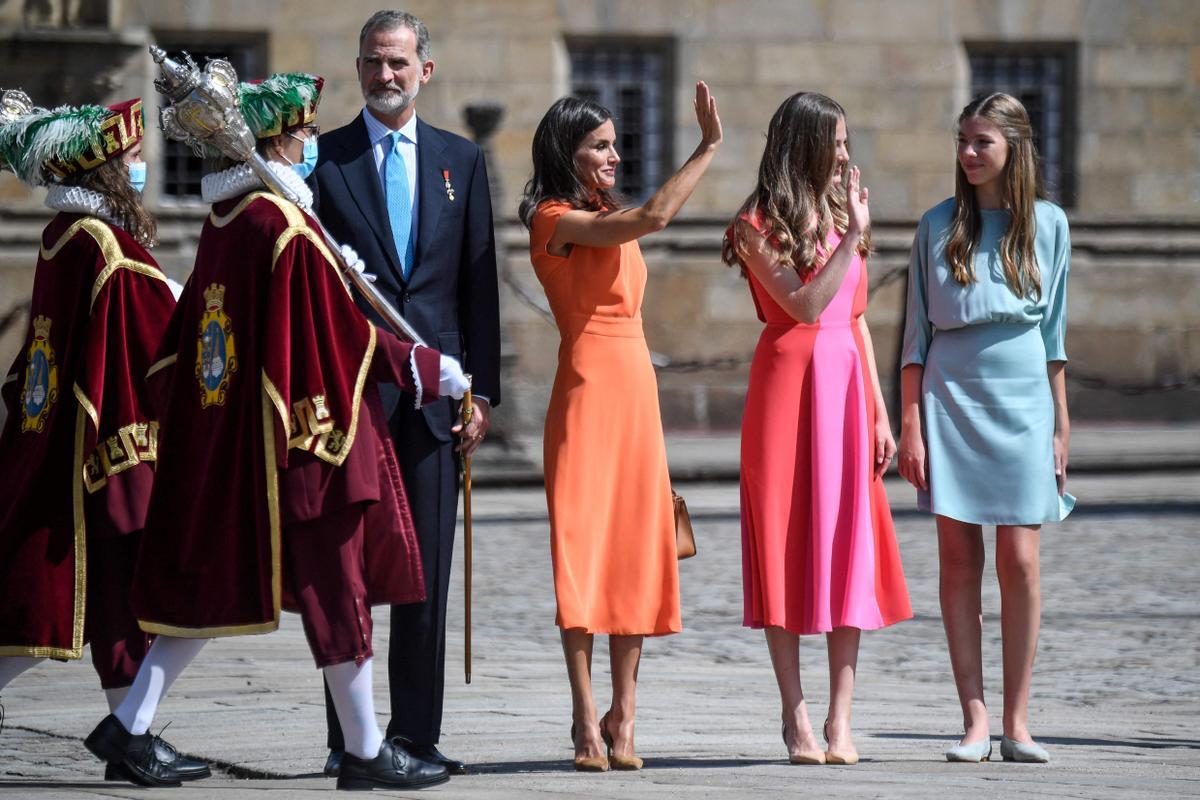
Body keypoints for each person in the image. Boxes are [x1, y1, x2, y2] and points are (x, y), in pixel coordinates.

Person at [81, 72, 469, 791]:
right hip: (303, 441)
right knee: (338, 592)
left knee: (210, 591)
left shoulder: (231, 221)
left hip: (240, 446)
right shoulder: (282, 226)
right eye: (304, 131)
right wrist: (425, 366)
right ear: (279, 138)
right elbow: (339, 337)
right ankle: (363, 751)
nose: (312, 142)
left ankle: (129, 724)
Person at [310, 11, 501, 776]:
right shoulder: (324, 161)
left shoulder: (462, 160)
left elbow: (475, 285)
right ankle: (348, 739)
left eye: (397, 63)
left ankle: (416, 735)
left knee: (424, 575)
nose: (384, 76)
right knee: (345, 573)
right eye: (371, 63)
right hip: (351, 396)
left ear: (427, 69)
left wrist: (479, 391)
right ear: (358, 70)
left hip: (433, 402)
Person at [0, 91, 206, 783]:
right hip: (105, 446)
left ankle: (132, 737)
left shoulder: (65, 233)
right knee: (56, 603)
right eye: (133, 155)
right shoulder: (103, 244)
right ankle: (132, 732)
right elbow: (139, 339)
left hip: (63, 441)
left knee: (113, 607)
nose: (143, 164)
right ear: (107, 169)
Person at [517, 82, 721, 771]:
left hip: (636, 390)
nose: (613, 154)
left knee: (636, 551)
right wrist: (708, 147)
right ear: (566, 153)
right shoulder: (552, 217)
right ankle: (582, 718)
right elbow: (657, 217)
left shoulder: (608, 210)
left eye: (613, 143)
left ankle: (624, 718)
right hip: (584, 392)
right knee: (582, 556)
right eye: (599, 145)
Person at [722, 92, 912, 766]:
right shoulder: (754, 224)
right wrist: (856, 236)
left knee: (844, 545)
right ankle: (795, 714)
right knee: (783, 545)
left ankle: (840, 719)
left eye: (846, 141)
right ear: (801, 143)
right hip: (785, 390)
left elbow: (854, 316)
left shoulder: (839, 212)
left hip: (844, 392)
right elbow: (803, 305)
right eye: (834, 141)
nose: (843, 154)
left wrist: (881, 410)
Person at [897, 92, 1074, 764]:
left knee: (1020, 561)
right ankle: (974, 719)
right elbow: (914, 337)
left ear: (1014, 149)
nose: (968, 155)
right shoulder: (937, 225)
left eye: (982, 143)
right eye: (963, 142)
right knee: (958, 559)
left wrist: (1062, 426)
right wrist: (910, 423)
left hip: (1025, 398)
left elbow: (1055, 337)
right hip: (950, 398)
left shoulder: (1051, 226)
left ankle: (1018, 721)